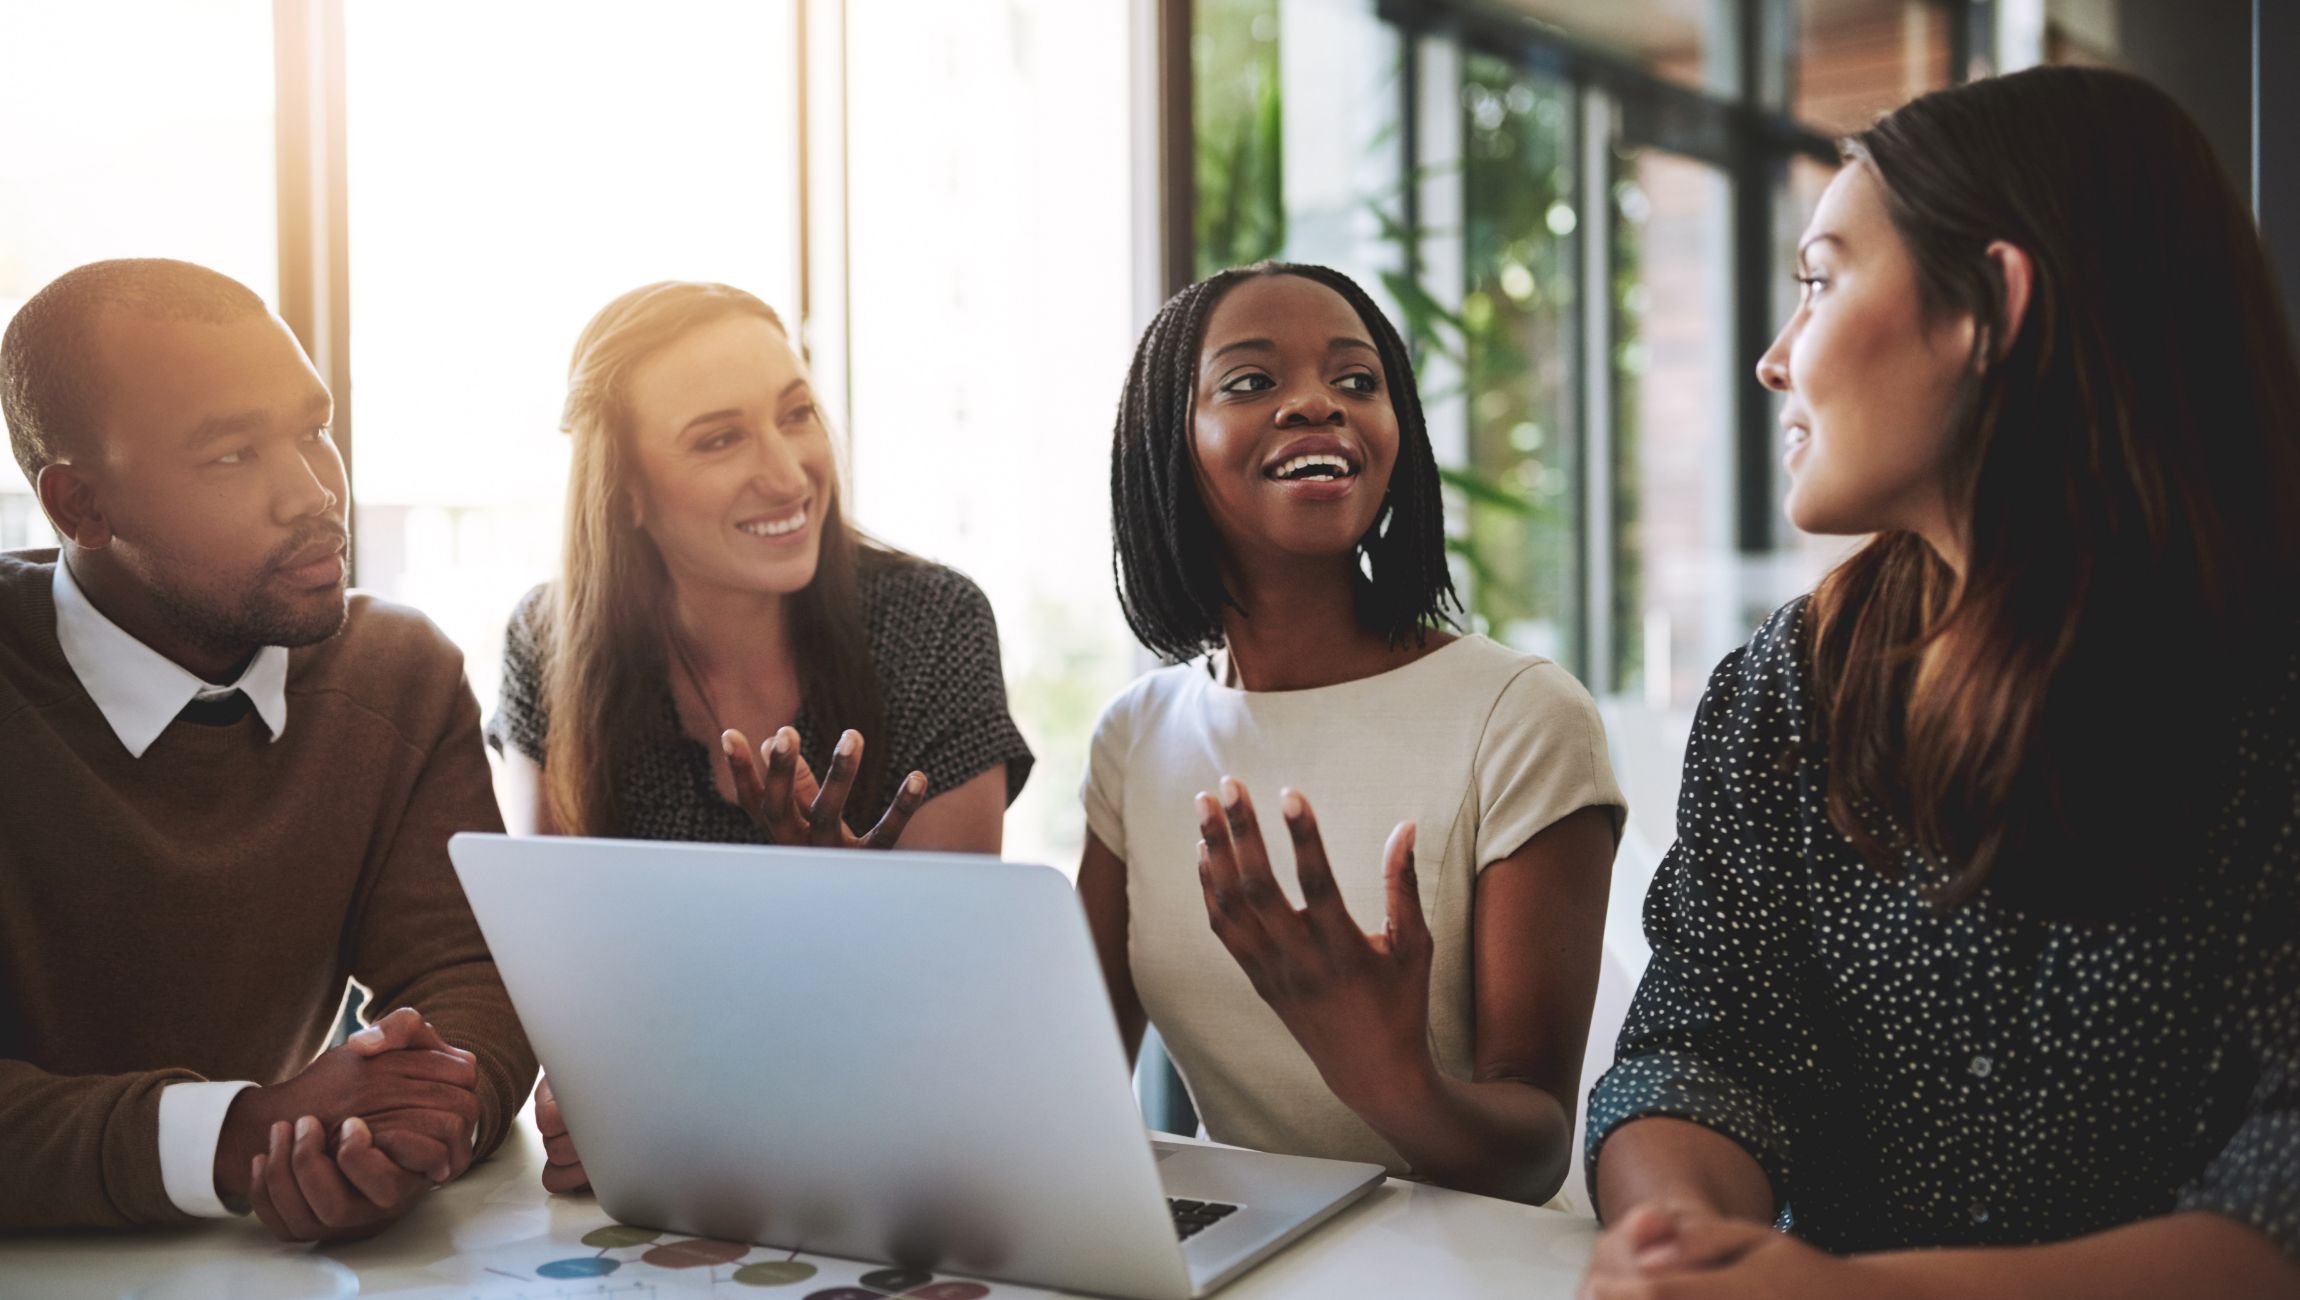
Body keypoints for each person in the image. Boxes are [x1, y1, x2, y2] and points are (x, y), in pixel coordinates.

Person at [1579, 67, 2300, 1298]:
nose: (1771, 358)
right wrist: (1680, 1237)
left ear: (1987, 307)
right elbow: (1701, 1050)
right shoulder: (1782, 690)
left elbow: (2277, 1188)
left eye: (1816, 280)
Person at [0, 258, 537, 1240]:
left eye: (313, 428)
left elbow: (467, 976)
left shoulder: (396, 670)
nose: (312, 492)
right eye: (230, 455)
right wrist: (240, 1134)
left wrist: (398, 1134)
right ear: (81, 507)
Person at [1080, 262, 1624, 1205]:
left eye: (1356, 380)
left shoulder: (1523, 716)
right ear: (1167, 446)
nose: (1315, 405)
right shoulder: (1136, 737)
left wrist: (1389, 1077)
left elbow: (1534, 1150)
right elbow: (1069, 1089)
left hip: (1472, 1265)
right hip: (1251, 1255)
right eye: (1251, 382)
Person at [492, 281, 1034, 1192]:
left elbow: (951, 1011)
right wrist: (600, 1098)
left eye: (797, 415)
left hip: (902, 1169)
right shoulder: (546, 645)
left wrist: (832, 907)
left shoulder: (931, 622)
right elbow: (577, 1002)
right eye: (719, 438)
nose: (788, 473)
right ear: (624, 491)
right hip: (669, 1189)